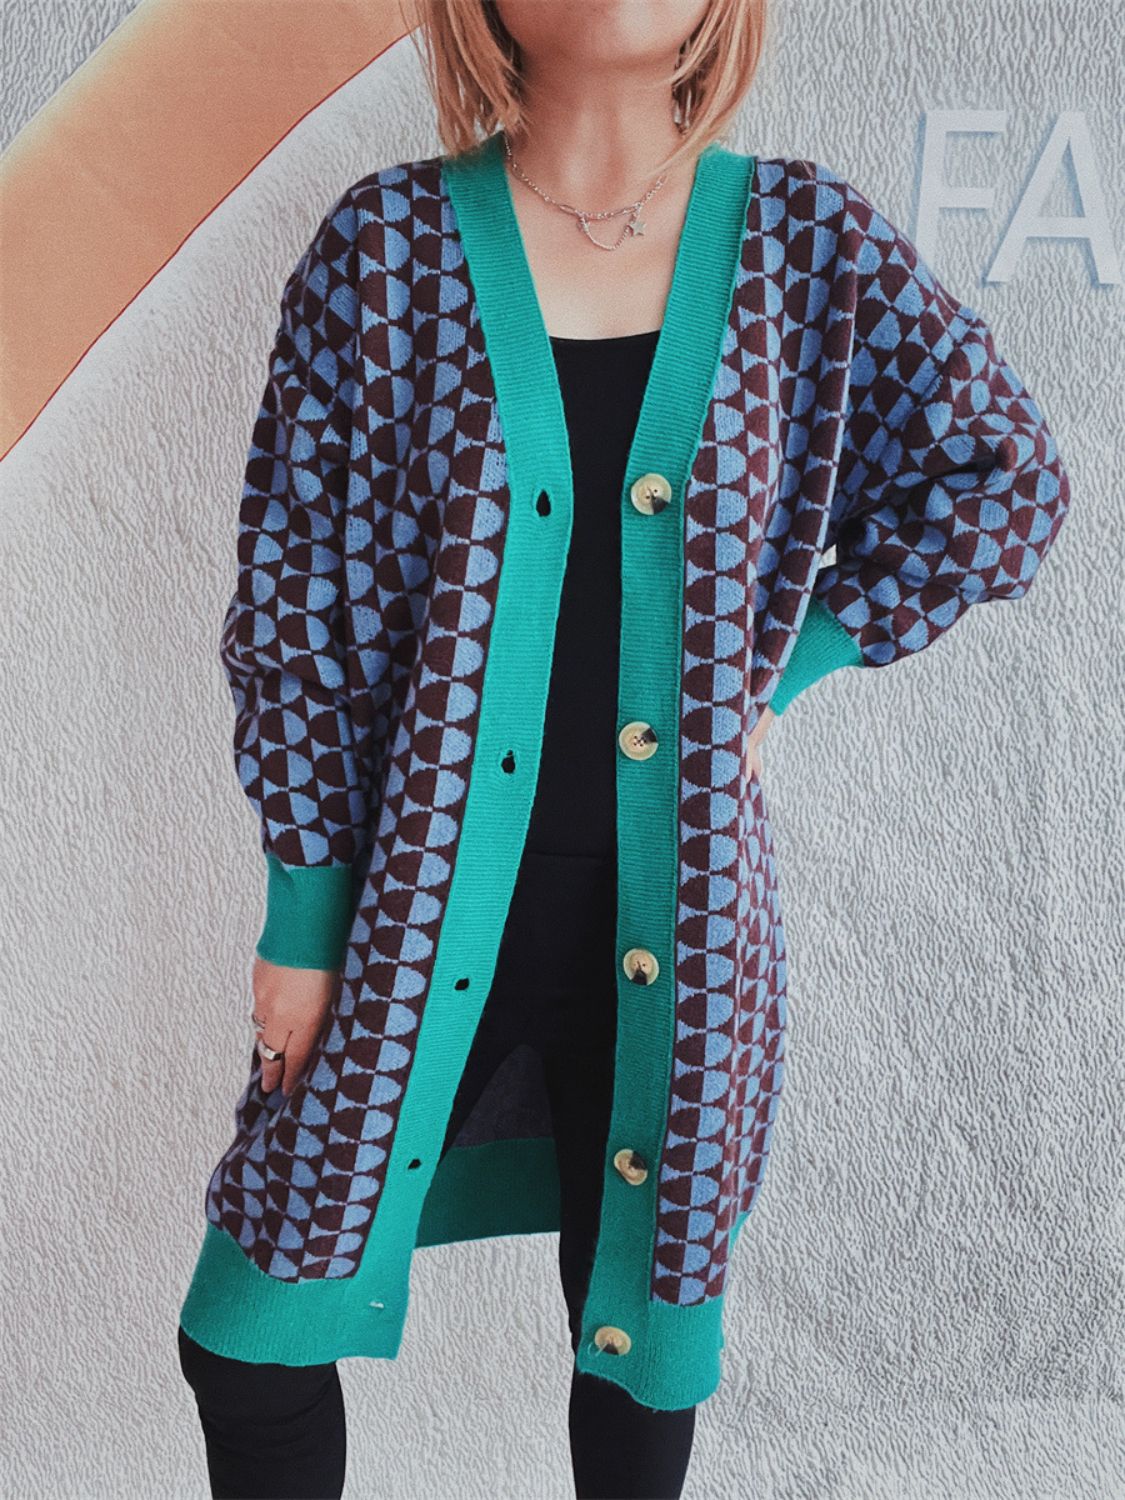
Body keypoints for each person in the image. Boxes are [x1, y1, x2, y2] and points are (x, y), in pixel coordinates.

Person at [177, 2, 1071, 1497]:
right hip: (413, 912)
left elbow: (1004, 478)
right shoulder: (383, 249)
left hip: (686, 923)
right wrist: (303, 920)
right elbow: (298, 608)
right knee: (253, 1331)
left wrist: (781, 668)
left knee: (635, 1353)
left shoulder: (807, 245)